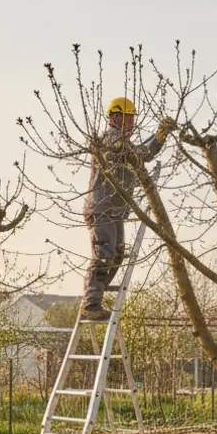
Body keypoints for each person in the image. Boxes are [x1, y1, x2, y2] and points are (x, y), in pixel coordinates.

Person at [81, 97, 176, 321]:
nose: (132, 124)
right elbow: (137, 153)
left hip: (116, 210)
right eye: (128, 119)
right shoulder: (110, 139)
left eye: (132, 119)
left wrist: (160, 136)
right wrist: (159, 135)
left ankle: (95, 296)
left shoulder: (125, 144)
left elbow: (142, 152)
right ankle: (90, 303)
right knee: (104, 253)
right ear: (117, 118)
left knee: (118, 254)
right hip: (102, 207)